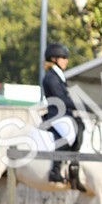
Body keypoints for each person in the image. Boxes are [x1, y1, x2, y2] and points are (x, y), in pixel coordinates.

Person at [40, 42, 82, 185]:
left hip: (64, 114)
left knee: (81, 126)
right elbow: (62, 99)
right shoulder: (51, 77)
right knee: (69, 134)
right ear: (54, 59)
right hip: (56, 115)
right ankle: (55, 171)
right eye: (63, 57)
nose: (66, 61)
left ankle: (74, 168)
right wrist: (80, 105)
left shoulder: (58, 76)